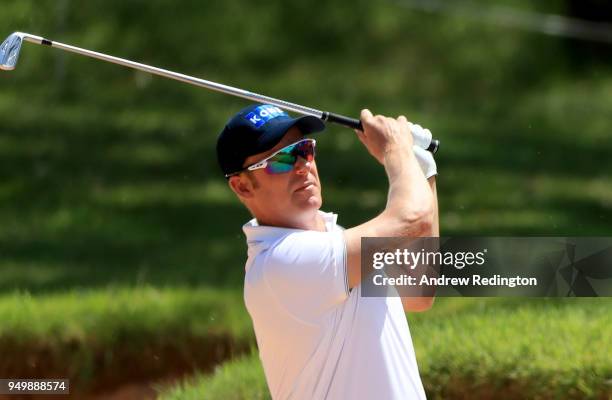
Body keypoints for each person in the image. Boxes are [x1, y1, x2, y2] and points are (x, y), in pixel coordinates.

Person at [216, 103, 439, 399]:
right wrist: (396, 151)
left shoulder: (334, 239)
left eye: (304, 150)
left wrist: (422, 169)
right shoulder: (280, 263)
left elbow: (418, 288)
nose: (302, 165)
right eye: (281, 160)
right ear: (242, 186)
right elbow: (411, 218)